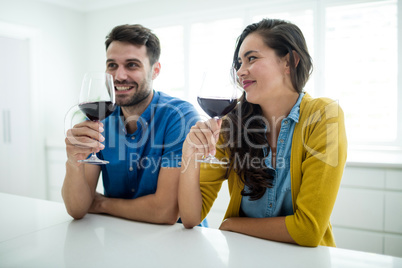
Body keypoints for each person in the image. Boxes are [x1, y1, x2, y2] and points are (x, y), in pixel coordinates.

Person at [178, 18, 347, 246]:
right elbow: (190, 218)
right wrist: (190, 157)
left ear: (290, 61)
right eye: (239, 63)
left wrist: (231, 224)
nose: (240, 72)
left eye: (251, 58)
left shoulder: (324, 115)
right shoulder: (231, 125)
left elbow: (308, 230)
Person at [62, 24, 205, 226]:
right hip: (119, 236)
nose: (119, 76)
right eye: (112, 65)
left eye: (132, 65)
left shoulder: (179, 116)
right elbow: (77, 209)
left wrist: (101, 204)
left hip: (178, 242)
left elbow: (165, 212)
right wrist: (73, 163)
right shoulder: (98, 120)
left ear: (155, 71)